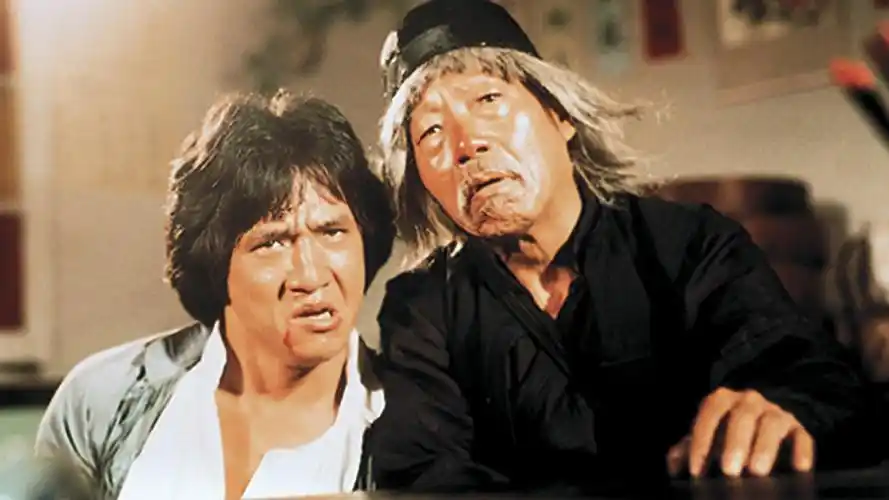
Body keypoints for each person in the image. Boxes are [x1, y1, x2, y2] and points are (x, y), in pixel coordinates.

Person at [367, 0, 885, 494]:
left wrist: (782, 410)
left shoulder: (690, 246)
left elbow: (817, 382)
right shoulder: (424, 309)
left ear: (560, 115)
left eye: (488, 101)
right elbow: (422, 473)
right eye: (430, 132)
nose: (466, 145)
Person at [33, 91, 396, 499]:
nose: (311, 276)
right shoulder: (101, 401)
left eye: (332, 232)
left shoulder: (412, 427)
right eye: (273, 242)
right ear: (216, 264)